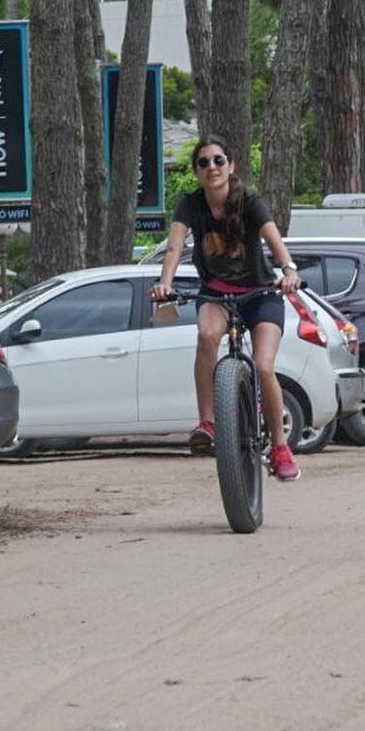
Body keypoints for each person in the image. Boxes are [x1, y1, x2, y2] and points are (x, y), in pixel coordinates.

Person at [150, 136, 304, 481]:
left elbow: (272, 237)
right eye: (203, 163)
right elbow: (175, 247)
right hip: (217, 294)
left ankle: (280, 446)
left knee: (264, 367)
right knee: (206, 335)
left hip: (261, 294)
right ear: (196, 171)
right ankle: (208, 422)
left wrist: (289, 270)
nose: (212, 168)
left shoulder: (247, 199)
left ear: (230, 166)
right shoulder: (190, 204)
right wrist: (165, 282)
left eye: (218, 160)